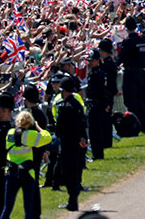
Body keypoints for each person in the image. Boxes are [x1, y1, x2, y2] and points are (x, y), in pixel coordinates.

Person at [0, 110, 53, 219]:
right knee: (28, 207)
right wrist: (38, 127)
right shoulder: (30, 135)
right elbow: (47, 137)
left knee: (7, 207)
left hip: (11, 170)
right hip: (27, 172)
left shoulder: (10, 133)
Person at [54, 76, 87, 211]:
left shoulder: (67, 107)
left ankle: (72, 201)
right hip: (75, 142)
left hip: (69, 142)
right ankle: (72, 200)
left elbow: (65, 126)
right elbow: (82, 123)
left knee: (69, 172)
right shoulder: (76, 104)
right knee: (72, 170)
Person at [118, 16, 145, 125]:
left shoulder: (127, 42)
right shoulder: (141, 40)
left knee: (130, 100)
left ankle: (134, 123)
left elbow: (122, 58)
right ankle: (143, 123)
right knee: (140, 98)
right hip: (141, 72)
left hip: (130, 73)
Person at [85, 49, 110, 159]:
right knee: (93, 131)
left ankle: (98, 154)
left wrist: (105, 104)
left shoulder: (98, 73)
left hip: (97, 104)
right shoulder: (92, 72)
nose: (90, 62)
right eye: (89, 60)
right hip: (93, 103)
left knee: (95, 131)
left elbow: (102, 90)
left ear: (97, 61)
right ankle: (97, 153)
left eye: (93, 60)